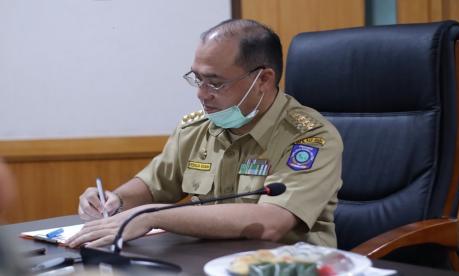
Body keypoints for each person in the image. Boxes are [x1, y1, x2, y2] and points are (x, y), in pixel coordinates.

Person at [68, 19, 343, 249]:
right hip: (206, 262)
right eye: (197, 78)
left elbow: (272, 222)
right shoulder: (196, 129)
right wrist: (114, 201)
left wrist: (154, 216)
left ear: (263, 80)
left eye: (215, 83)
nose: (201, 94)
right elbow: (153, 185)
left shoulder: (310, 138)